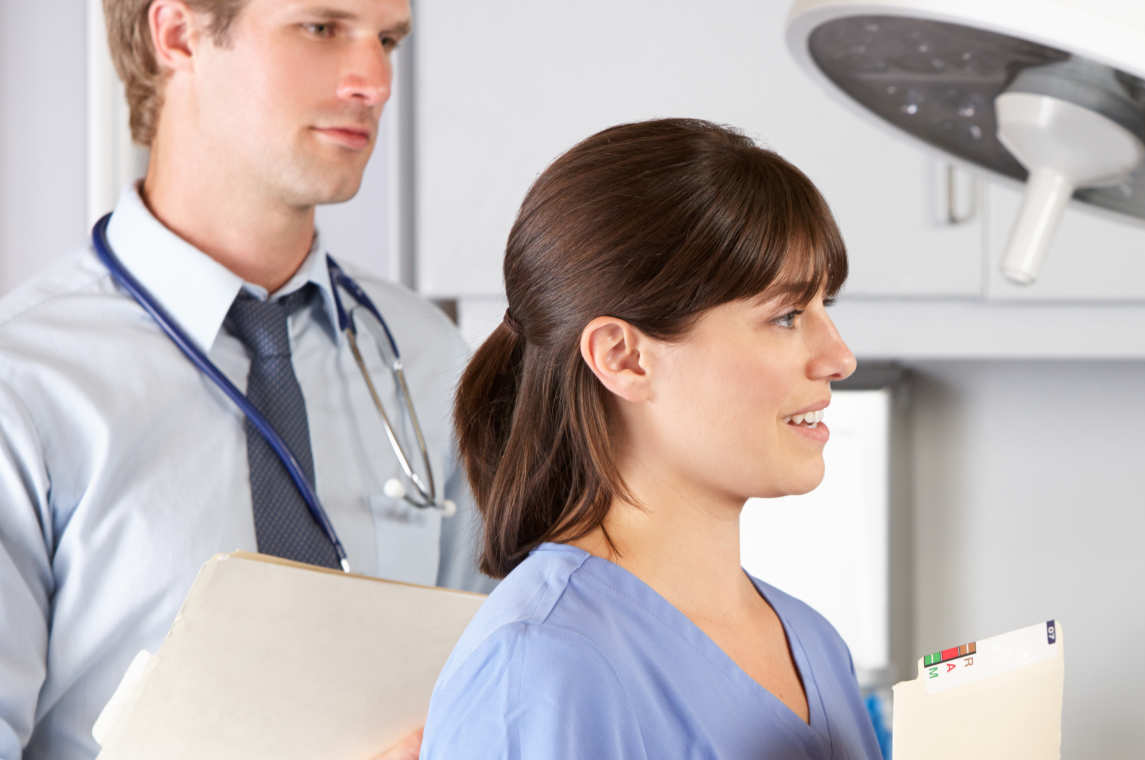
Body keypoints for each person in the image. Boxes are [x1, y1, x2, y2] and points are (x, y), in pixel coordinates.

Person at [0, 1, 488, 758]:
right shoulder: (24, 383)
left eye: (387, 39)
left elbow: (491, 690)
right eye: (322, 28)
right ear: (177, 34)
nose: (376, 81)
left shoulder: (428, 359)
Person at [419, 118, 880, 759]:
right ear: (625, 358)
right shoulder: (540, 664)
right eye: (786, 316)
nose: (839, 356)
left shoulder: (816, 646)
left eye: (827, 307)